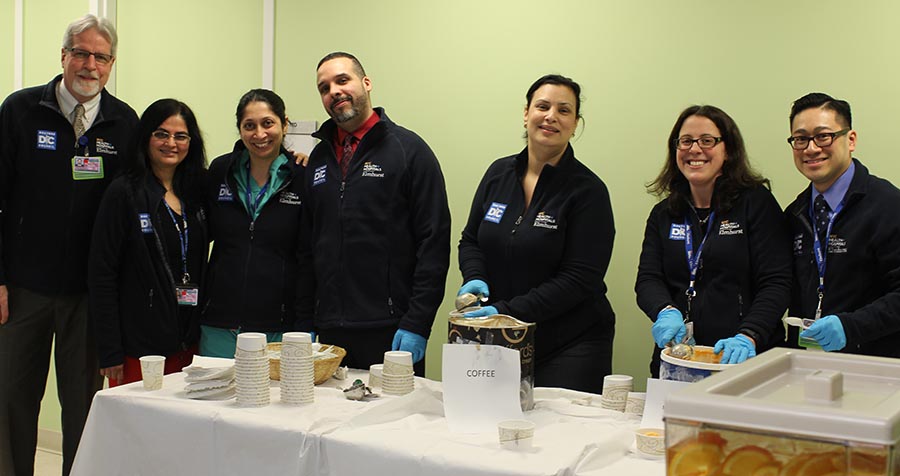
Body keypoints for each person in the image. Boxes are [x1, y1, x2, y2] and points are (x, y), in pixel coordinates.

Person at [0, 14, 138, 476]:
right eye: (81, 52)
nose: (90, 64)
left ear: (112, 63)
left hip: (88, 294)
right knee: (13, 399)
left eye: (101, 56)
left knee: (82, 404)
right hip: (23, 290)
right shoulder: (20, 110)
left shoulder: (124, 123)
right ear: (63, 56)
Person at [457, 74, 615, 394]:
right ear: (526, 113)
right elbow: (471, 239)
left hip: (569, 343)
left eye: (564, 110)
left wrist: (506, 312)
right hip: (501, 336)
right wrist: (475, 276)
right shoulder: (497, 173)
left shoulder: (588, 191)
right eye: (542, 106)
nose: (551, 116)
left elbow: (579, 279)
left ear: (575, 124)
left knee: (554, 438)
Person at [296, 52, 450, 376]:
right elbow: (307, 248)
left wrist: (419, 322)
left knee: (391, 425)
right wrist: (304, 321)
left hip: (393, 331)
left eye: (342, 80)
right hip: (330, 334)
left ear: (366, 83)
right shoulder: (319, 159)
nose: (334, 91)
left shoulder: (409, 151)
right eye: (324, 88)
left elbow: (433, 243)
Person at [635, 105, 791, 377]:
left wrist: (749, 334)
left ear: (727, 150)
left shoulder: (756, 204)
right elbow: (648, 279)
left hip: (745, 358)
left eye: (707, 140)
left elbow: (776, 282)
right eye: (686, 141)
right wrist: (664, 310)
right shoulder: (664, 213)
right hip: (680, 357)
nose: (695, 149)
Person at [88, 99, 208, 386]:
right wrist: (110, 350)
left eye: (181, 136)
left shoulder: (196, 190)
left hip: (188, 344)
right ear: (145, 138)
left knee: (183, 429)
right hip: (138, 351)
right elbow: (102, 273)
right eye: (161, 134)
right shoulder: (124, 192)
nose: (171, 143)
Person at [786, 93, 900, 356]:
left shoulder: (888, 206)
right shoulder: (795, 214)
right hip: (805, 368)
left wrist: (850, 327)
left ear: (851, 140)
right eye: (800, 139)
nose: (811, 148)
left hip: (875, 369)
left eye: (823, 136)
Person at [200, 89, 305, 357]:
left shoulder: (303, 177)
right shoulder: (220, 171)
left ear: (284, 123)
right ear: (240, 130)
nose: (259, 134)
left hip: (279, 327)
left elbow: (310, 255)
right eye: (249, 126)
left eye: (267, 123)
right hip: (219, 325)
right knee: (212, 397)